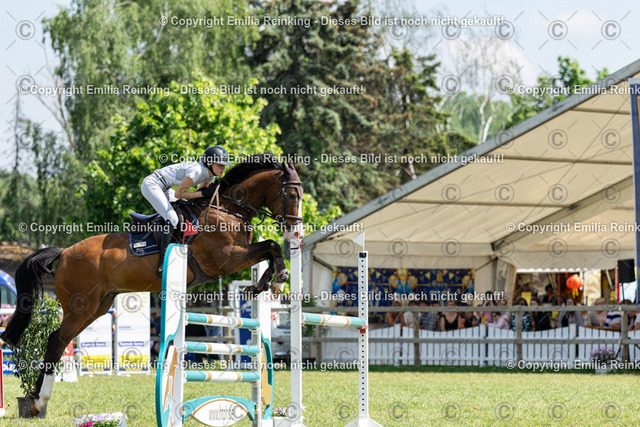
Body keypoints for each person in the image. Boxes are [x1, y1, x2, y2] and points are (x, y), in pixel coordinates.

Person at [141, 146, 232, 276]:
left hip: (166, 188)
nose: (223, 168)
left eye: (224, 165)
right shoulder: (197, 170)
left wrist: (209, 192)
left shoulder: (210, 176)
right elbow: (179, 194)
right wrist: (204, 193)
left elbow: (198, 193)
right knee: (172, 218)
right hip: (152, 184)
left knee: (185, 209)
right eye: (220, 165)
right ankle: (163, 262)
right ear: (209, 163)